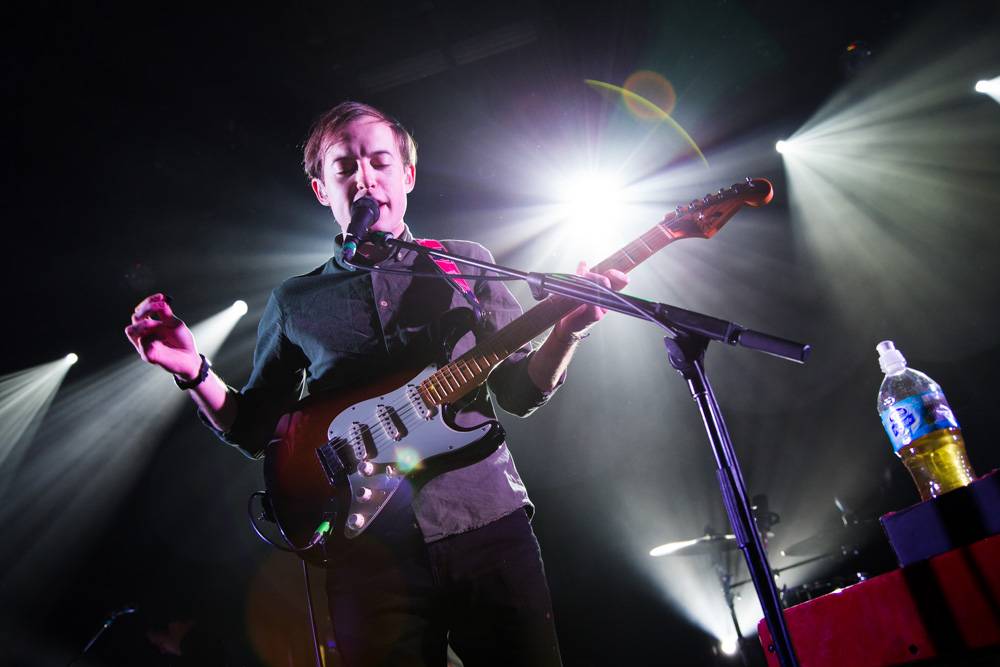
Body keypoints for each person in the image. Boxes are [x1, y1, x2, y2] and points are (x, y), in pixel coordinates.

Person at [126, 101, 627, 666]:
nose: (365, 178)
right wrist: (193, 371)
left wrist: (566, 332)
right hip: (369, 555)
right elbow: (253, 429)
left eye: (380, 162)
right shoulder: (296, 301)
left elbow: (519, 393)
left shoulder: (466, 265)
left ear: (407, 176)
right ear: (322, 189)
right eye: (345, 167)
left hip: (485, 524)